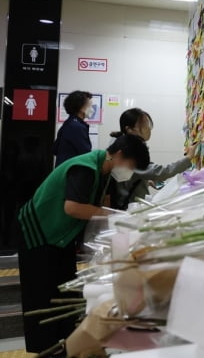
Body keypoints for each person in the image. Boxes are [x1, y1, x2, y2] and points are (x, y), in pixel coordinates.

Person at [17, 135, 150, 354]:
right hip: (39, 233)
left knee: (65, 292)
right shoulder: (85, 168)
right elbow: (73, 208)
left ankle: (64, 346)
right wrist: (113, 215)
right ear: (118, 155)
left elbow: (97, 206)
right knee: (42, 296)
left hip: (61, 237)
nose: (130, 172)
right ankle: (46, 350)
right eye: (131, 166)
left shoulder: (103, 170)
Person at [109, 108, 196, 210]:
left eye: (148, 124)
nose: (148, 129)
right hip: (128, 208)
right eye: (144, 125)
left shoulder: (120, 143)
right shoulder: (128, 150)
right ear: (129, 130)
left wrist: (144, 181)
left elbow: (133, 175)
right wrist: (188, 158)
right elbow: (161, 172)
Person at [54, 91, 94, 167]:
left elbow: (55, 149)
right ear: (81, 108)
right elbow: (86, 153)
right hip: (71, 173)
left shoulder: (69, 123)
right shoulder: (76, 127)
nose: (92, 109)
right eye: (90, 106)